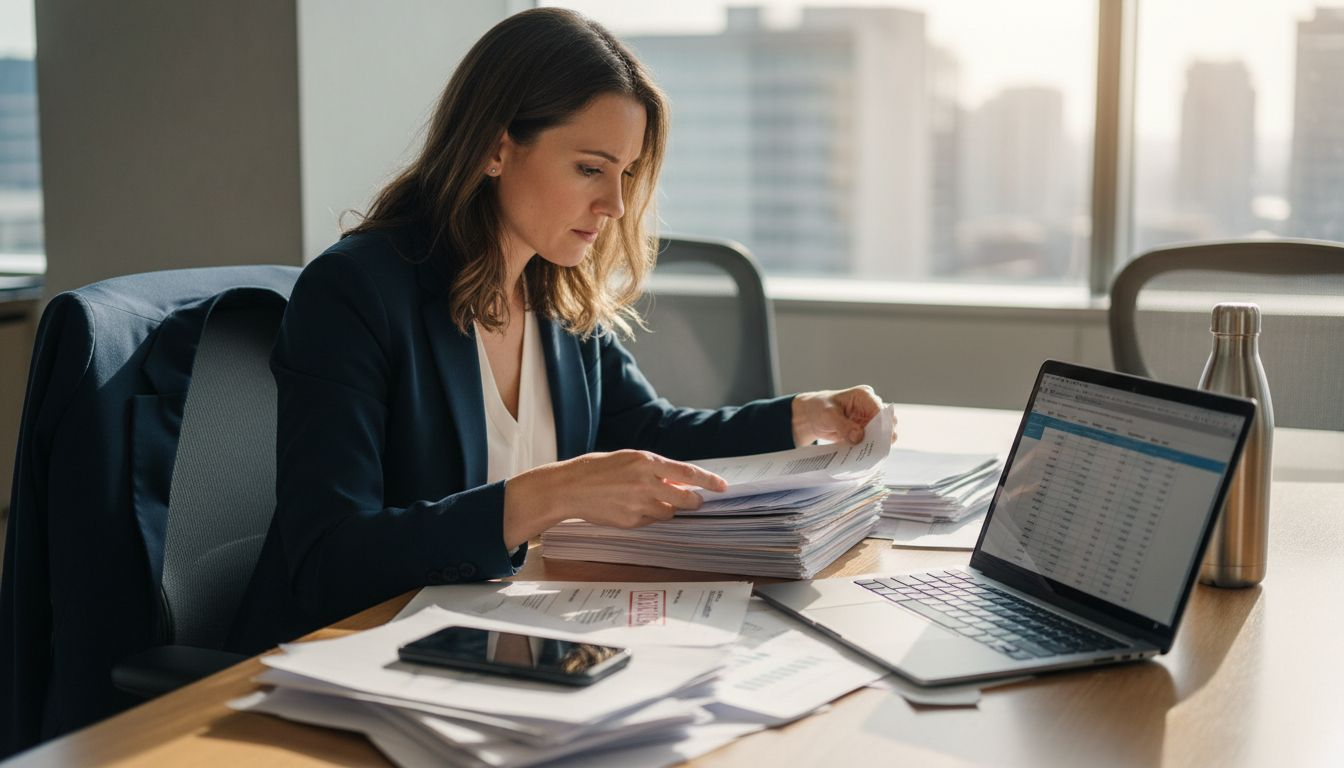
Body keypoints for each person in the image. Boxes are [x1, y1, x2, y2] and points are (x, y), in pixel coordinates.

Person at [227, 7, 891, 654]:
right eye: (590, 169)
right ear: (495, 147)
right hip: (356, 656)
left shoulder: (553, 293)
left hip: (498, 642)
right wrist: (546, 497)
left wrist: (805, 416)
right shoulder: (356, 293)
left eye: (625, 174)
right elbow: (327, 560)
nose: (616, 205)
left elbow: (647, 437)